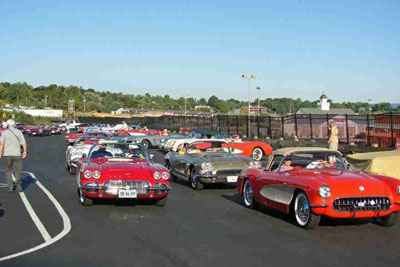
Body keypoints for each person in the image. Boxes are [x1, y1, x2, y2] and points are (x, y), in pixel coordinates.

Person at [0, 119, 27, 192]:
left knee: (8, 171)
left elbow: (1, 144)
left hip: (7, 154)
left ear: (8, 125)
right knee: (18, 170)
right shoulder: (19, 132)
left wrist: (0, 153)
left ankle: (10, 187)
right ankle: (18, 184)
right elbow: (24, 142)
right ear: (14, 125)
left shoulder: (4, 133)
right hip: (17, 154)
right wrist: (24, 151)